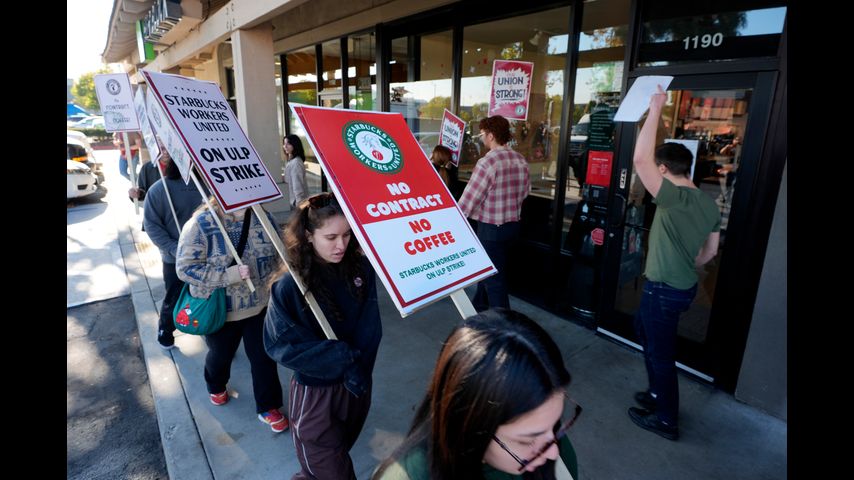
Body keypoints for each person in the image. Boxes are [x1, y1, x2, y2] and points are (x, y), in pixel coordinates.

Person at [372, 308, 580, 480]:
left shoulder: (548, 441)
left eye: (556, 424)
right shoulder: (409, 476)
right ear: (469, 426)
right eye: (526, 441)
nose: (554, 451)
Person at [264, 192, 381, 480]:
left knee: (332, 460)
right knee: (332, 471)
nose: (341, 245)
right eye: (331, 237)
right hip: (317, 395)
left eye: (347, 235)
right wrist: (339, 357)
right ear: (308, 235)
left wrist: (359, 365)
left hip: (356, 386)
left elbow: (370, 325)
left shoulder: (361, 269)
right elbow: (280, 344)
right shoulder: (291, 284)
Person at [627, 86, 721, 441]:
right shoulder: (708, 203)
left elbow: (639, 160)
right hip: (683, 286)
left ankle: (666, 419)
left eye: (657, 170)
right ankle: (655, 393)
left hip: (663, 288)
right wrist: (685, 259)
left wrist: (656, 109)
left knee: (662, 355)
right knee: (643, 329)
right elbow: (709, 254)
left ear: (664, 169)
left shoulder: (672, 198)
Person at [175, 197, 288, 433]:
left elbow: (281, 254)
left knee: (264, 357)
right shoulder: (201, 222)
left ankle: (268, 405)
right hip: (220, 311)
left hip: (260, 306)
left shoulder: (264, 217)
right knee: (220, 354)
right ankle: (215, 384)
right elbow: (185, 268)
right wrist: (228, 275)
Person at [458, 116, 530, 311]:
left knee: (494, 282)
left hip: (491, 230)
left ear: (491, 135)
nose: (481, 138)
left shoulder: (487, 162)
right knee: (490, 271)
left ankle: (503, 328)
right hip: (512, 227)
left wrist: (455, 220)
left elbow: (470, 198)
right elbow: (525, 192)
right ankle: (478, 311)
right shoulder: (520, 159)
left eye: (482, 134)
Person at [142, 146, 204, 349]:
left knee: (205, 295)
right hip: (174, 257)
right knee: (173, 296)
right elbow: (152, 224)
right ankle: (165, 330)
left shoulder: (207, 187)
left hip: (206, 255)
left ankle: (204, 323)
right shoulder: (159, 190)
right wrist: (173, 248)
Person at [283, 134, 309, 208]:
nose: (285, 146)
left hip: (296, 202)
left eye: (288, 144)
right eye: (284, 144)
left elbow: (297, 185)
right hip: (293, 201)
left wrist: (300, 205)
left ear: (295, 145)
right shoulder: (291, 161)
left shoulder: (296, 162)